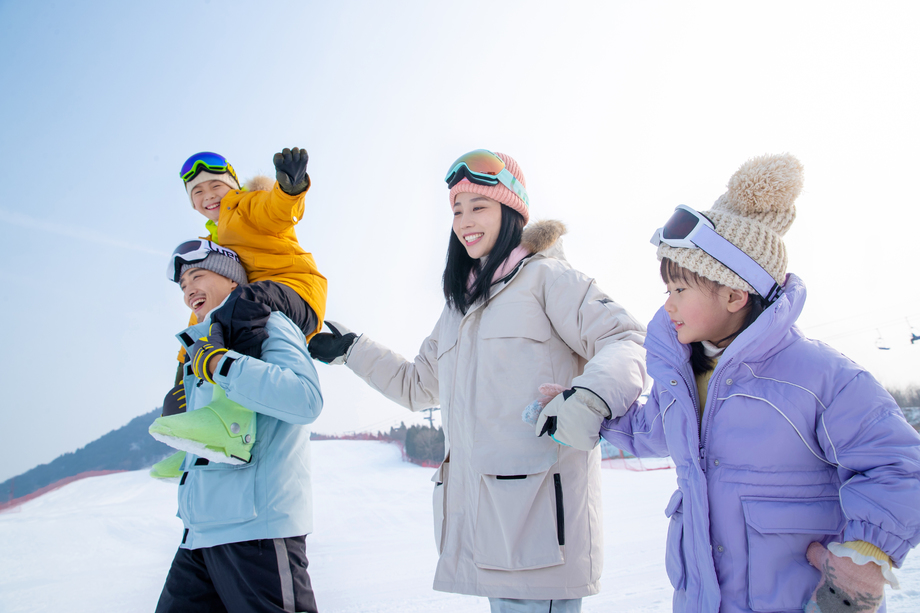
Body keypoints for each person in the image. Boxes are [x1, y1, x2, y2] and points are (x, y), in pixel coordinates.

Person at [546, 153, 920, 613]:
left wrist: (866, 558)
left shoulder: (820, 377)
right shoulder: (684, 378)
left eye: (680, 290)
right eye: (667, 290)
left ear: (734, 294)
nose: (668, 306)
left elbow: (898, 463)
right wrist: (591, 413)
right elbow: (652, 431)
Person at [307, 150, 648, 613]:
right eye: (456, 209)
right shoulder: (458, 310)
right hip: (487, 529)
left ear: (511, 212)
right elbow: (417, 385)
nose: (465, 220)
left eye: (478, 206)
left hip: (541, 532)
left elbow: (626, 339)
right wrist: (353, 350)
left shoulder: (547, 278)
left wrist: (588, 398)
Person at [153, 241, 323, 613]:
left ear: (232, 281)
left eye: (198, 275)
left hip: (256, 532)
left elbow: (305, 398)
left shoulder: (270, 323)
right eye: (182, 285)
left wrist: (221, 366)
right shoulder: (199, 345)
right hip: (198, 537)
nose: (189, 290)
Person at [151, 148, 327, 468]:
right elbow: (205, 305)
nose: (209, 196)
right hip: (252, 304)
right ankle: (190, 448)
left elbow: (276, 210)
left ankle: (233, 422)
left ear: (232, 186)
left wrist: (290, 188)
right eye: (198, 192)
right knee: (215, 326)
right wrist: (183, 367)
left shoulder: (244, 206)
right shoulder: (212, 241)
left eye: (216, 186)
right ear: (192, 203)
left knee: (240, 306)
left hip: (295, 289)